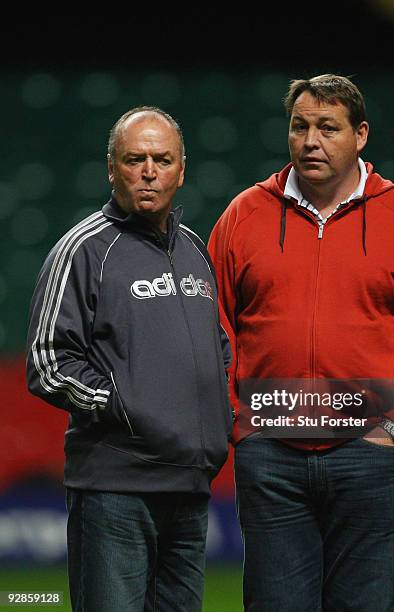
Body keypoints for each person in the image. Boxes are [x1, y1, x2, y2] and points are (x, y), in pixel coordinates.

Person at [208, 74, 394, 611]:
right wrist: (242, 424)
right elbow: (211, 332)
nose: (310, 141)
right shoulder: (244, 215)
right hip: (271, 457)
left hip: (368, 457)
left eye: (328, 127)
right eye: (299, 126)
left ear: (361, 135)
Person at [26, 106, 233, 612]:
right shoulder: (82, 250)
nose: (148, 171)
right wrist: (127, 406)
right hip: (115, 489)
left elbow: (217, 346)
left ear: (181, 171)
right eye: (134, 158)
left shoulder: (194, 250)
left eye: (162, 159)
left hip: (189, 489)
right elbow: (49, 361)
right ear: (111, 167)